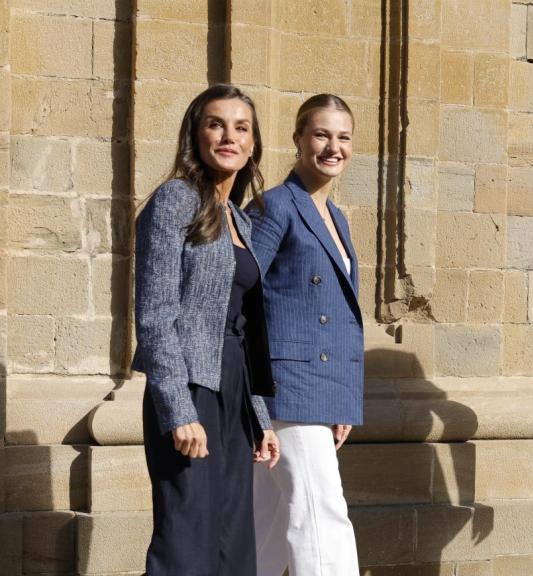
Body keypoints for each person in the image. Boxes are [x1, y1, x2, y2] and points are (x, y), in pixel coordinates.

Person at [132, 83, 281, 575]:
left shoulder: (239, 216)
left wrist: (259, 416)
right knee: (186, 536)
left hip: (234, 387)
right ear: (195, 135)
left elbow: (244, 323)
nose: (228, 136)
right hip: (191, 385)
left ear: (253, 143)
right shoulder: (176, 200)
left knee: (233, 537)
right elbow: (155, 315)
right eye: (216, 124)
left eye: (241, 128)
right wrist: (177, 409)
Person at [249, 93, 363, 576]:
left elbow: (338, 316)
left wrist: (341, 402)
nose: (332, 147)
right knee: (321, 517)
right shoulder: (275, 206)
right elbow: (243, 293)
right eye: (320, 134)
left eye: (343, 137)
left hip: (318, 390)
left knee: (270, 526)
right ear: (297, 139)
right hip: (286, 388)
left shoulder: (335, 216)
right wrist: (254, 398)